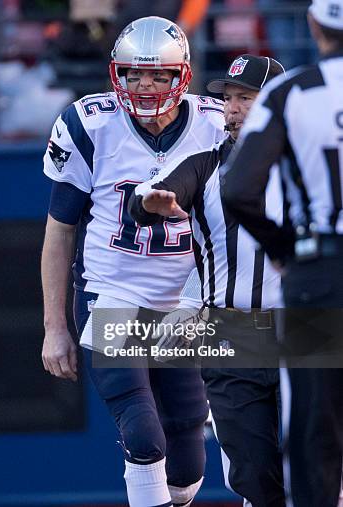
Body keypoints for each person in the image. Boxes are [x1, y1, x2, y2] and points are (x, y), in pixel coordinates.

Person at [41, 16, 226, 507]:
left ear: (181, 76)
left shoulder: (213, 124)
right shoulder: (90, 123)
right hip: (114, 294)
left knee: (187, 456)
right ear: (116, 74)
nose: (144, 86)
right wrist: (54, 326)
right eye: (133, 74)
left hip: (186, 304)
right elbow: (60, 230)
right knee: (143, 433)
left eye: (158, 75)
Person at [128, 54, 286, 506]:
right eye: (229, 98)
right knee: (253, 471)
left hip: (305, 328)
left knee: (316, 465)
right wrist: (150, 202)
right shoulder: (204, 166)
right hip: (231, 332)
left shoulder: (310, 163)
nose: (232, 108)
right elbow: (153, 193)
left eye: (246, 98)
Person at [220, 0, 343, 505]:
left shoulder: (290, 92)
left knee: (316, 428)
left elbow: (239, 189)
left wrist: (284, 250)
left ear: (313, 25)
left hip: (321, 272)